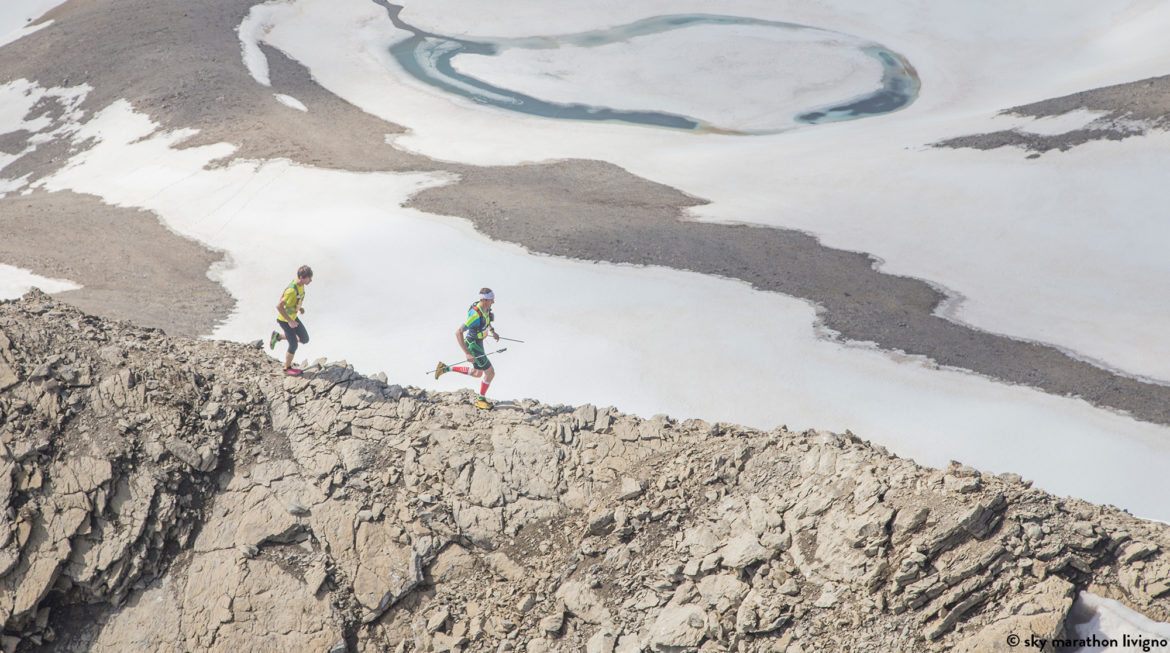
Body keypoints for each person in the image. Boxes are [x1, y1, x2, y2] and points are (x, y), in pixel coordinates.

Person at [435, 287, 499, 409]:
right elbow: (458, 332)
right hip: (474, 345)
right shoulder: (475, 315)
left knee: (477, 373)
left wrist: (492, 331)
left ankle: (445, 368)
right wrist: (467, 353)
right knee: (490, 373)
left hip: (478, 343)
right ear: (484, 300)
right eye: (491, 300)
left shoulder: (485, 307)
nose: (493, 302)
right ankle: (481, 400)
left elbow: (486, 318)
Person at [269, 265, 313, 375]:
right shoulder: (292, 290)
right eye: (309, 278)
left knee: (304, 339)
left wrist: (299, 308)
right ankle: (287, 368)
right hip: (285, 320)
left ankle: (278, 336)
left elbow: (293, 301)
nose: (311, 280)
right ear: (302, 277)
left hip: (293, 317)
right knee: (293, 344)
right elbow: (279, 306)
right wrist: (289, 321)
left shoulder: (301, 285)